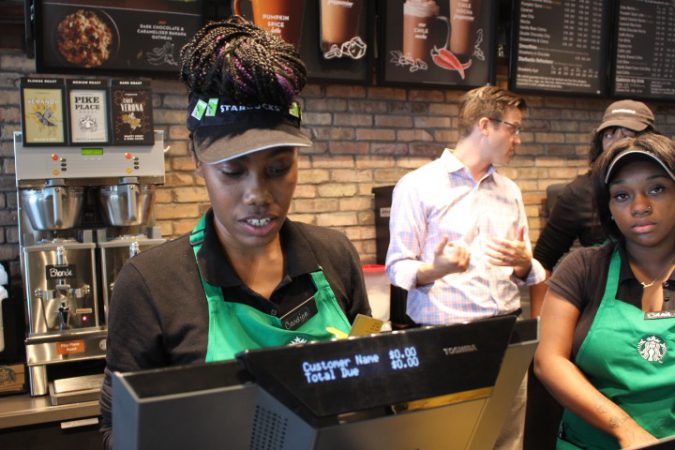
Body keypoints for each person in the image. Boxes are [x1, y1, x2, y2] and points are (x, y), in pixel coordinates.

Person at [99, 17, 370, 448]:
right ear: (197, 161)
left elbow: (367, 386)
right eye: (232, 172)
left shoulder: (334, 256)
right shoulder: (151, 284)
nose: (258, 194)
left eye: (278, 169)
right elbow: (119, 431)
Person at [386, 85, 546, 450]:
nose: (518, 139)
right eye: (514, 128)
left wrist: (525, 264)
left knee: (506, 440)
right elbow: (398, 267)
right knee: (444, 441)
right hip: (444, 341)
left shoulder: (510, 191)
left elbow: (527, 268)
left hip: (506, 334)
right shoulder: (418, 186)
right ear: (486, 125)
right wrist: (437, 270)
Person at [534, 133, 675, 449]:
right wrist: (625, 428)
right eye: (622, 195)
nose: (640, 206)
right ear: (608, 208)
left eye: (656, 189)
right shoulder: (583, 268)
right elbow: (549, 360)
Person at [529, 100, 657, 317]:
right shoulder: (578, 194)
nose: (616, 142)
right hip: (602, 312)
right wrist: (540, 325)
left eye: (628, 133)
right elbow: (542, 260)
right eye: (609, 134)